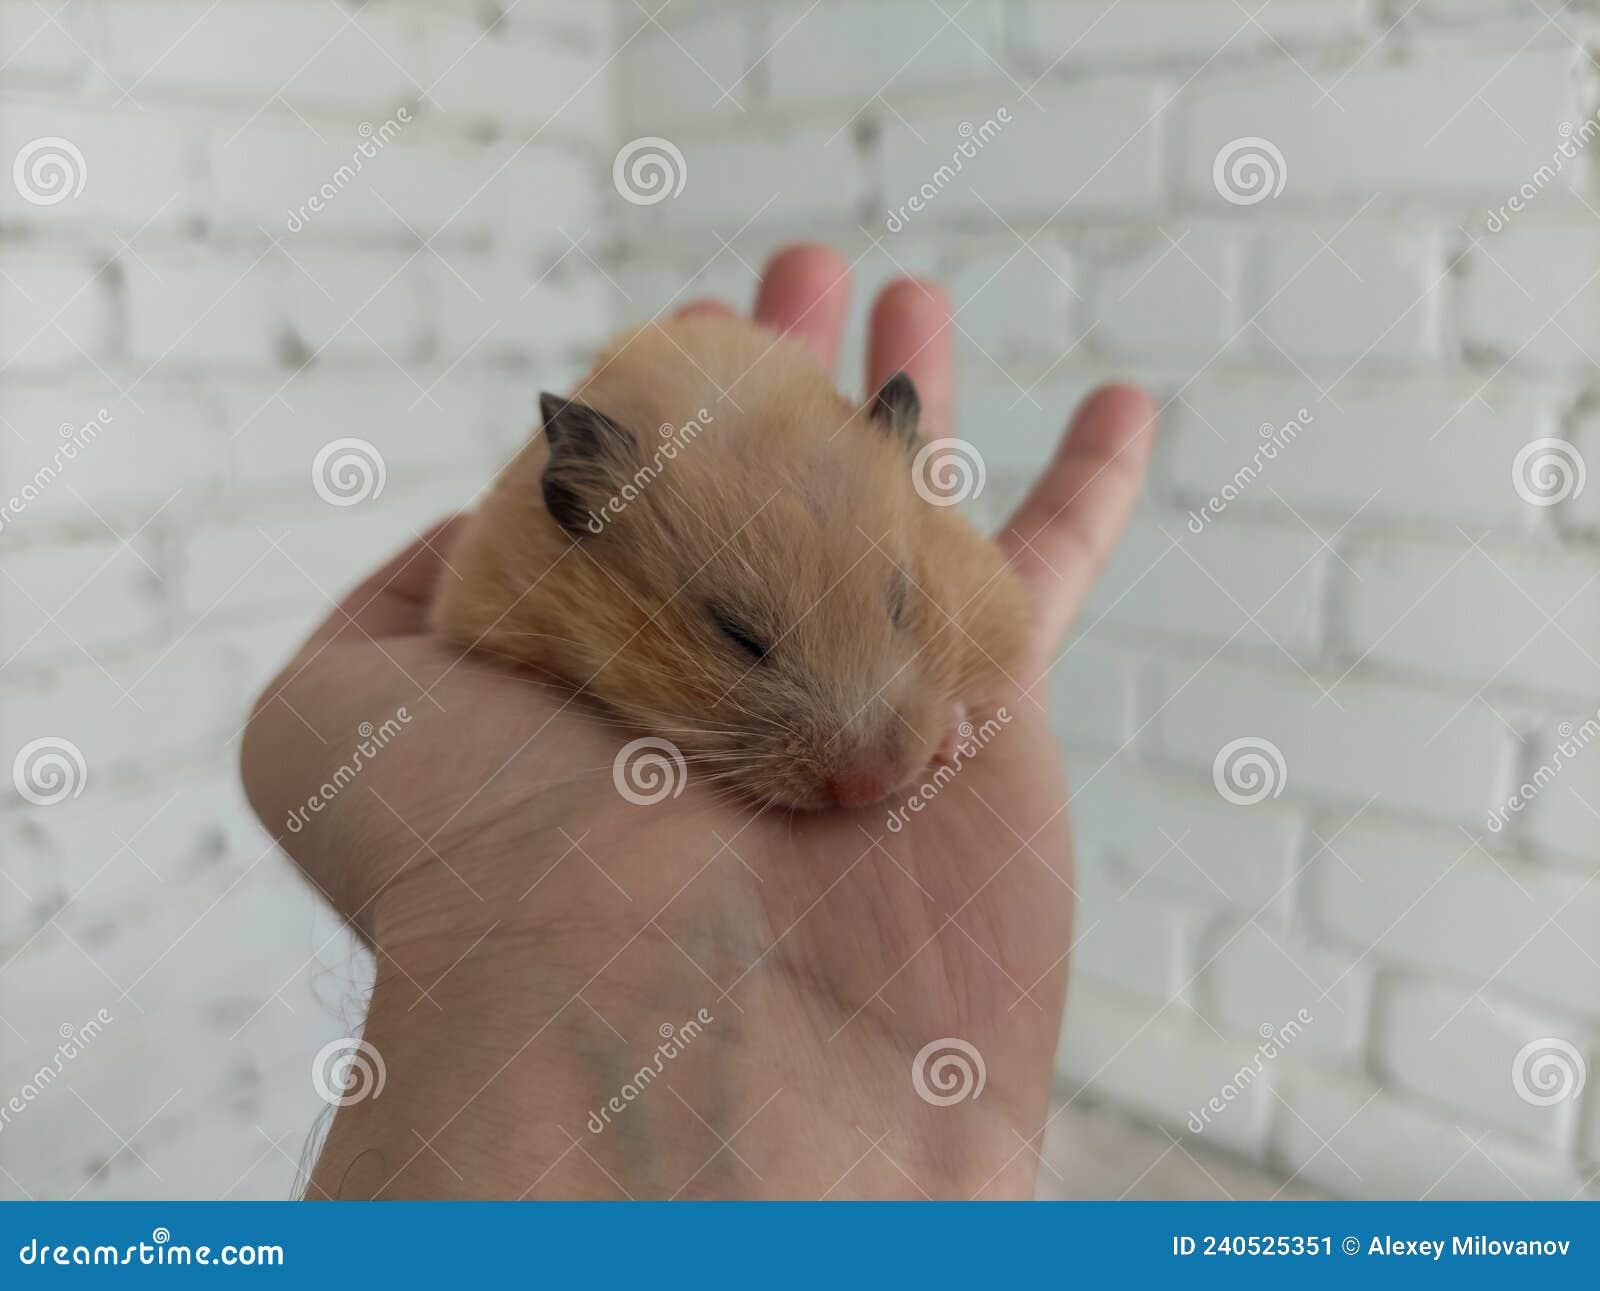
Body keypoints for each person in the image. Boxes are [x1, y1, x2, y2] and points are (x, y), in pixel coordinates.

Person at [241, 243, 1156, 1199]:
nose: (864, 771)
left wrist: (951, 691)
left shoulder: (897, 504)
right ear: (581, 506)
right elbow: (482, 610)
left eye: (897, 604)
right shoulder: (544, 558)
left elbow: (994, 614)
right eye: (741, 638)